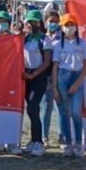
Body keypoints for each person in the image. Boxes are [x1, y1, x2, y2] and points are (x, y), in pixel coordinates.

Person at [53, 13, 86, 157]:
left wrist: (77, 83)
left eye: (72, 25)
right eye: (66, 25)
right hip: (63, 76)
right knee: (64, 112)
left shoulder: (82, 43)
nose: (69, 28)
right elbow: (55, 66)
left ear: (76, 26)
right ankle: (68, 143)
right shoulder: (57, 44)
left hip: (77, 76)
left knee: (76, 112)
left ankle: (79, 144)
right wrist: (55, 87)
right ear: (62, 28)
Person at [20, 10, 52, 157]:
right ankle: (33, 140)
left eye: (36, 22)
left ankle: (39, 142)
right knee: (30, 110)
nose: (33, 24)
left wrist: (34, 74)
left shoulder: (44, 40)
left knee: (34, 107)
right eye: (30, 22)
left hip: (38, 77)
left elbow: (46, 62)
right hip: (27, 76)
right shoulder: (26, 39)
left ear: (40, 23)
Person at [42, 10, 64, 146]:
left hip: (60, 74)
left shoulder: (62, 37)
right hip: (45, 75)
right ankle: (45, 137)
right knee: (46, 106)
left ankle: (62, 137)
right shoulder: (42, 37)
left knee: (60, 106)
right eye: (51, 21)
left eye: (56, 21)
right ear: (46, 22)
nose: (53, 24)